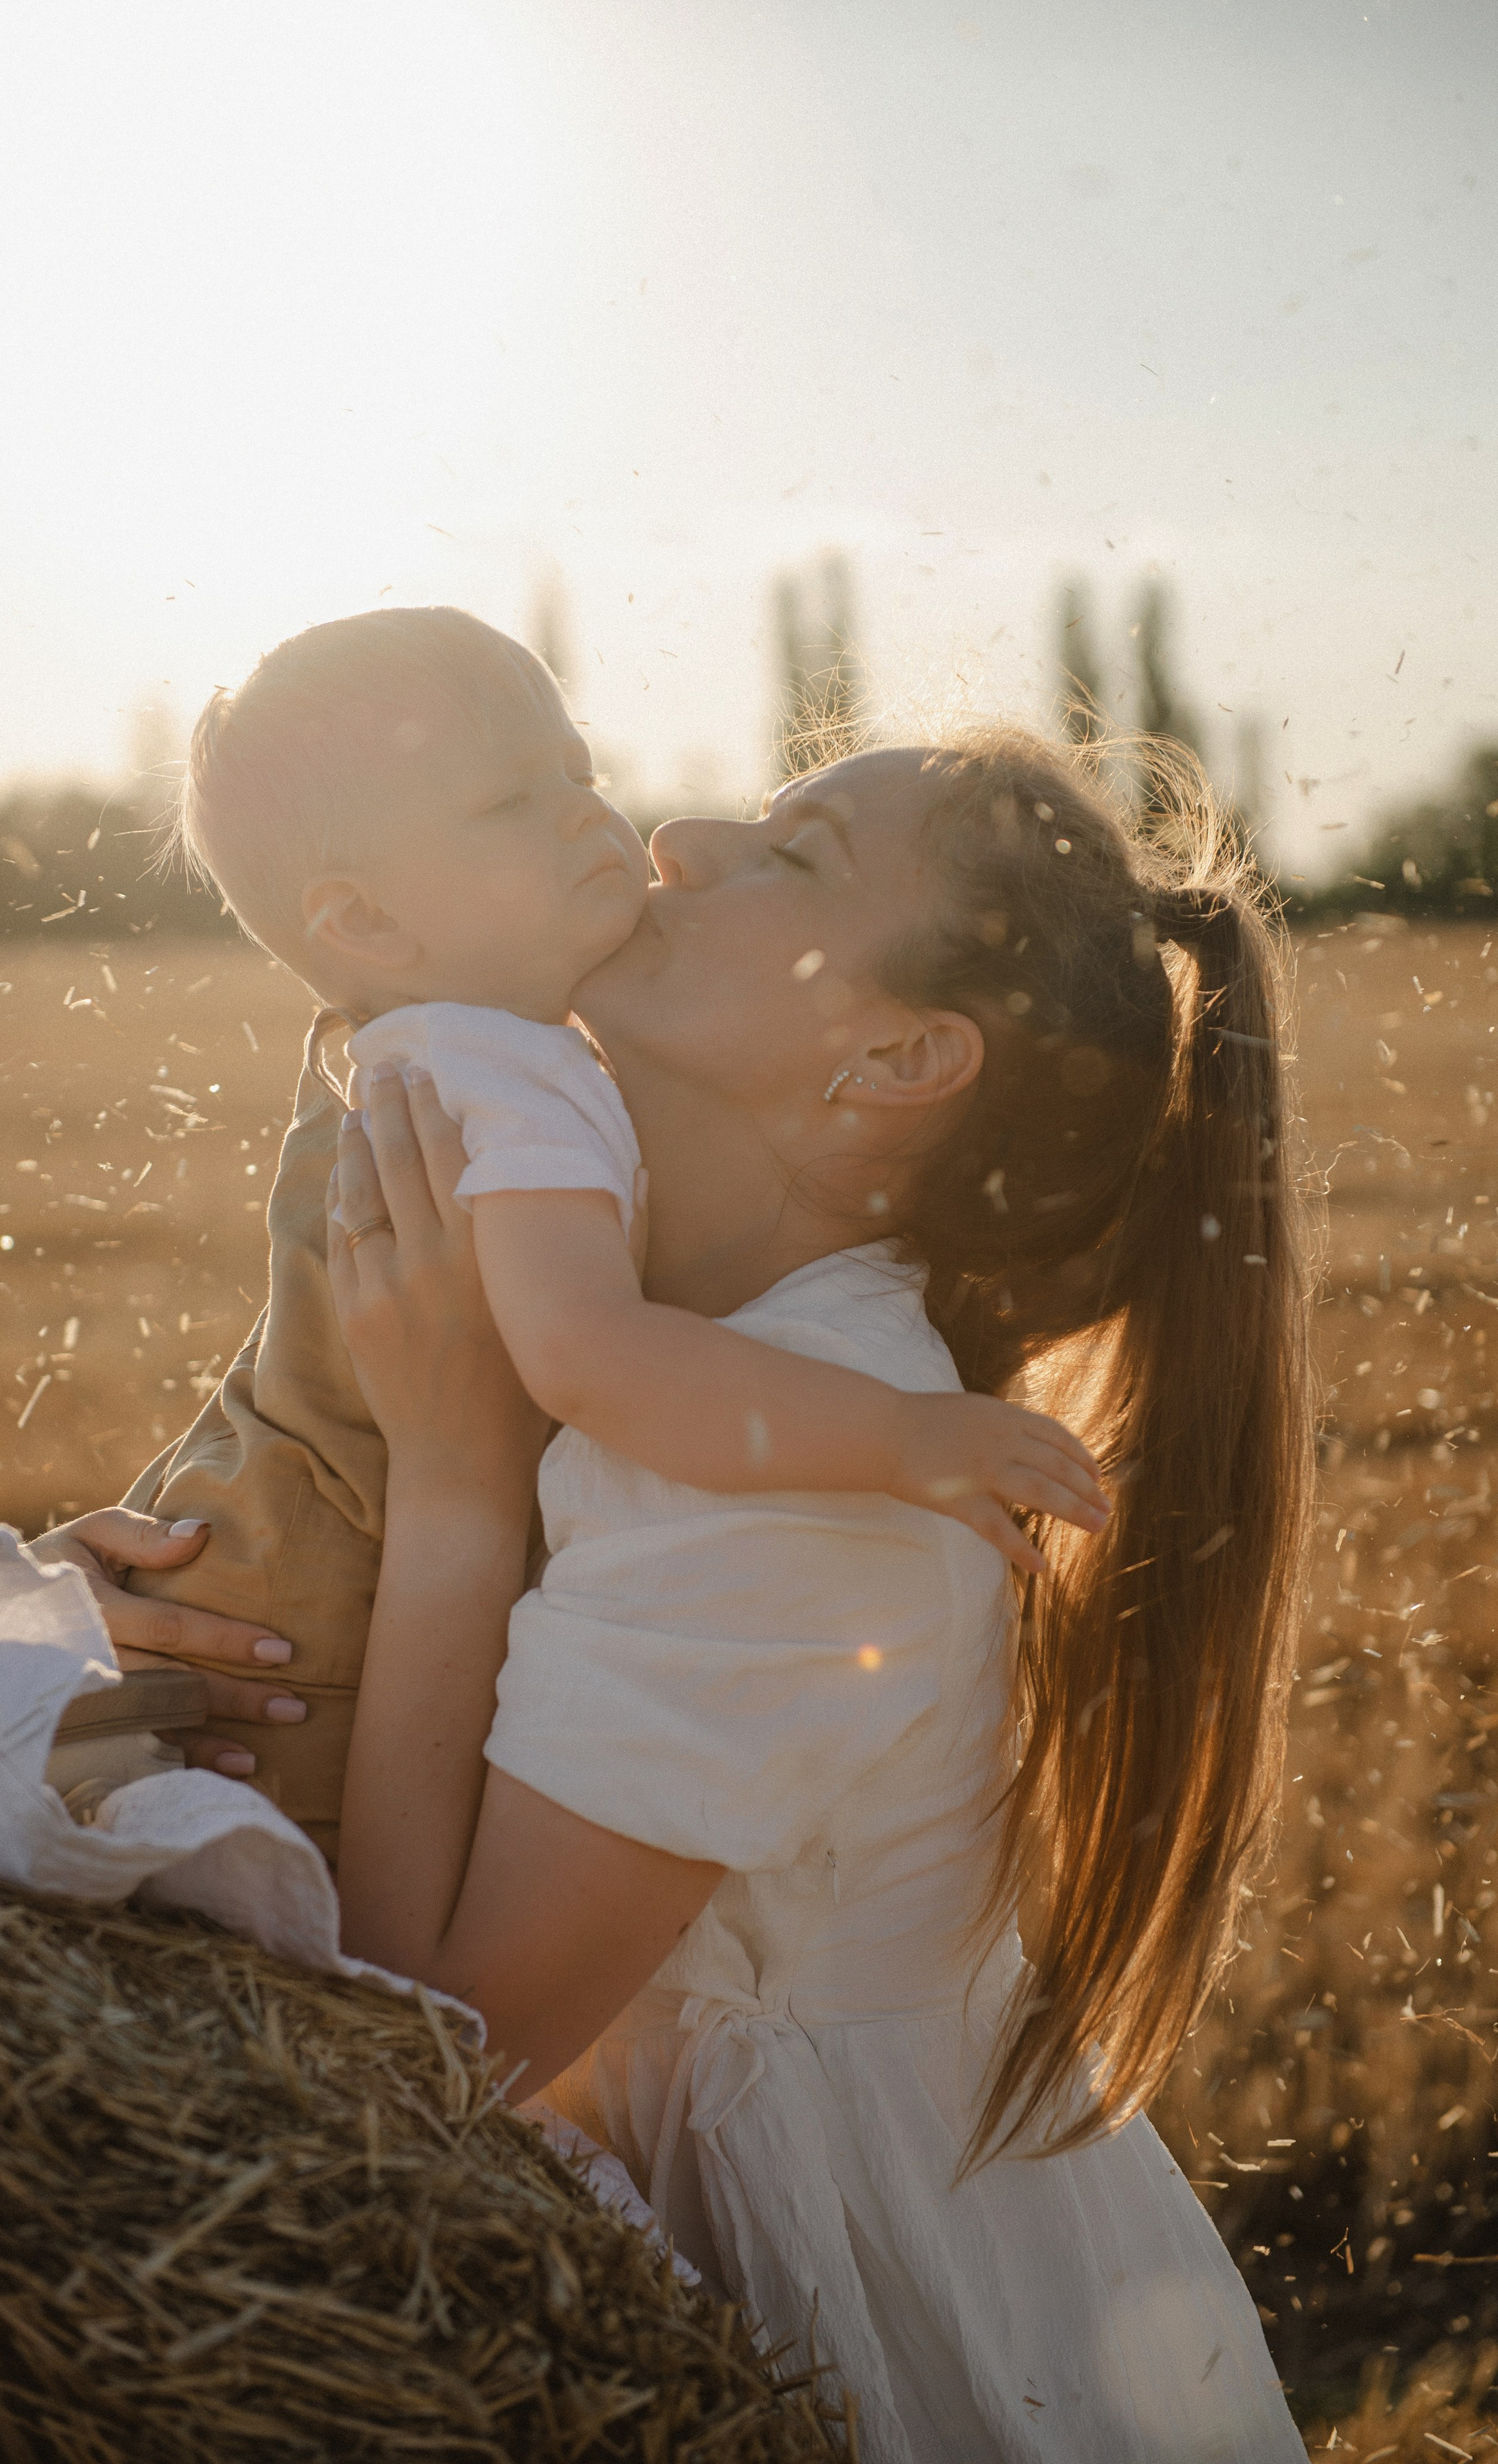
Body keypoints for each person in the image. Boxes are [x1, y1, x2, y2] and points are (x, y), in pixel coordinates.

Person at [309, 729, 1313, 2461]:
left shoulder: (799, 1495)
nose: (676, 840)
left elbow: (426, 2047)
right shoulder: (655, 1343)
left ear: (897, 1056)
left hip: (823, 2335)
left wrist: (457, 1486)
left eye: (794, 854)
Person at [117, 608, 1106, 1859]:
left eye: (576, 773)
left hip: (286, 1614)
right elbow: (591, 1352)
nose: (633, 828)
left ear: (904, 1053)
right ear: (363, 927)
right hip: (301, 1664)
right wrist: (897, 1435)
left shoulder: (466, 1053)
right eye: (509, 804)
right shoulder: (497, 1077)